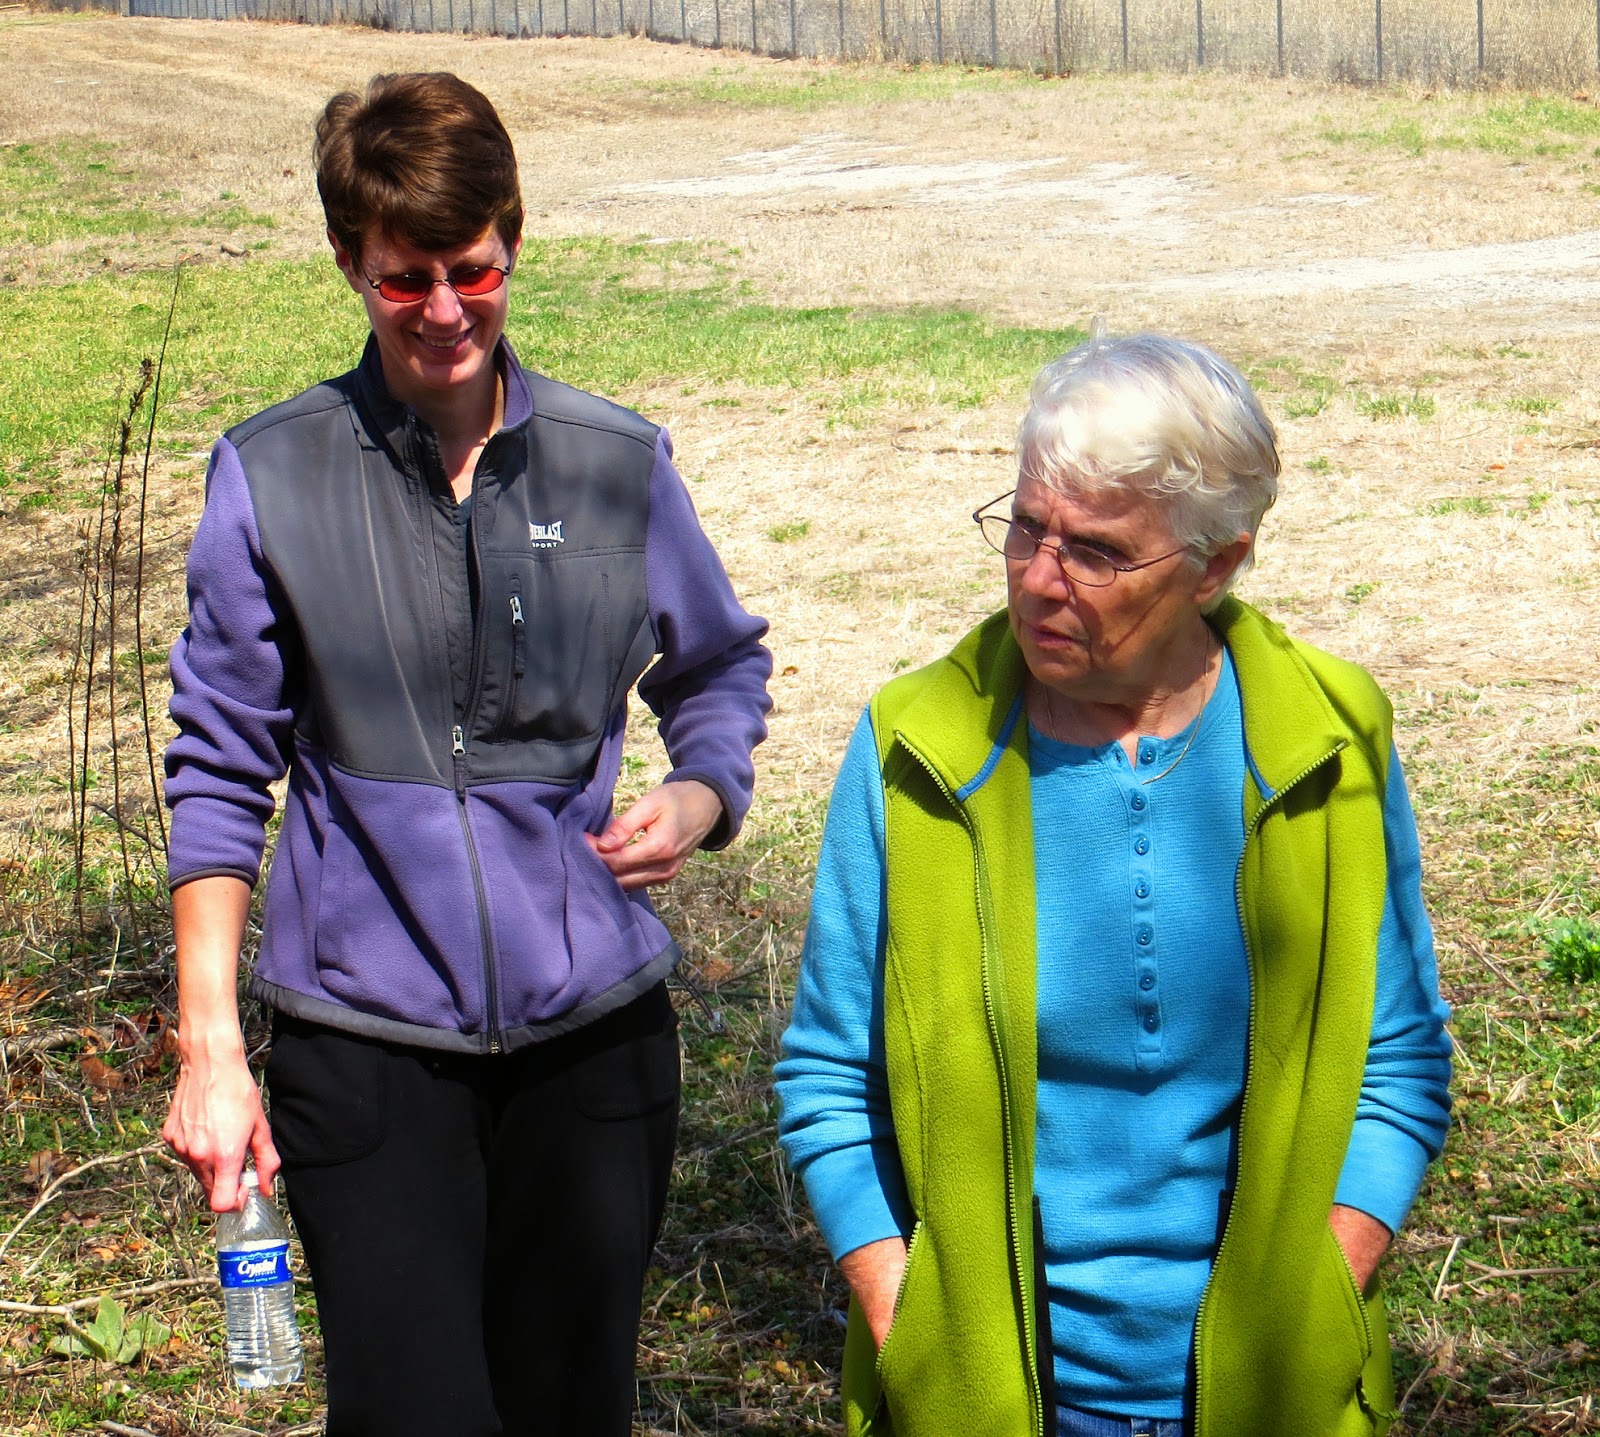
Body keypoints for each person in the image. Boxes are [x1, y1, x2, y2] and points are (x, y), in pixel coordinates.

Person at [161, 72, 771, 1437]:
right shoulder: (274, 474)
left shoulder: (614, 463)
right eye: (405, 278)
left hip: (592, 1045)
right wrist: (212, 1047)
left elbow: (719, 666)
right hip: (365, 1051)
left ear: (515, 240)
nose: (444, 310)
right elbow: (219, 766)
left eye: (473, 270)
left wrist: (698, 791)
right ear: (349, 261)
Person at [775, 329, 1451, 1437]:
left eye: (1096, 552)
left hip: (1273, 1395)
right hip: (988, 1404)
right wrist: (915, 1329)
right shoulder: (917, 747)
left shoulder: (1328, 739)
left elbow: (1401, 1055)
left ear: (1215, 564)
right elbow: (828, 1077)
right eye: (1025, 528)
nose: (1040, 580)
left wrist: (1324, 1296)